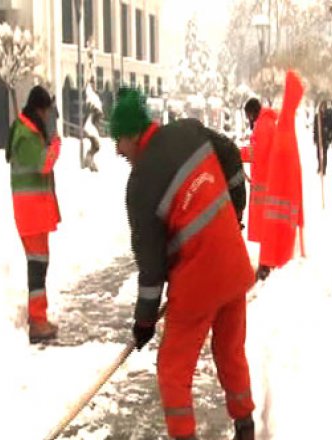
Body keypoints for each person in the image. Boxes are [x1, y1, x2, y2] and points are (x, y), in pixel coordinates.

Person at [110, 88, 257, 440]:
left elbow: (151, 269)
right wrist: (234, 213)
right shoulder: (189, 130)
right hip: (234, 265)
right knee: (230, 350)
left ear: (133, 134)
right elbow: (232, 156)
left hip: (198, 281)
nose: (117, 150)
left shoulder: (140, 184)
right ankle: (246, 428)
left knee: (172, 370)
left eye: (119, 140)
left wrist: (144, 321)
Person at [7, 85, 62, 344]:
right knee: (37, 266)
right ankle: (37, 321)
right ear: (40, 110)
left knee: (39, 263)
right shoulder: (26, 134)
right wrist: (56, 142)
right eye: (48, 112)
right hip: (31, 211)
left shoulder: (28, 131)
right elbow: (44, 164)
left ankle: (38, 316)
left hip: (35, 210)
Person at [259, 70, 305, 271]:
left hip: (282, 198)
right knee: (278, 240)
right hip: (282, 197)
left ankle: (272, 262)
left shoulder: (286, 126)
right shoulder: (285, 128)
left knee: (276, 238)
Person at [240, 97, 278, 280]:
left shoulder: (263, 125)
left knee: (265, 225)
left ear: (252, 112)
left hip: (264, 182)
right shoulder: (267, 122)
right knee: (268, 223)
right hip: (268, 179)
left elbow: (257, 152)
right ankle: (268, 260)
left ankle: (266, 264)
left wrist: (238, 153)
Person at [313, 101, 332, 174]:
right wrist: (314, 138)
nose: (323, 108)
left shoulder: (328, 116)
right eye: (322, 107)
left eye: (324, 107)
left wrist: (329, 138)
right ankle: (319, 166)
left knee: (324, 153)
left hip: (325, 138)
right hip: (319, 138)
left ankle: (324, 168)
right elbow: (315, 128)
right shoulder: (317, 116)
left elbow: (331, 128)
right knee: (318, 153)